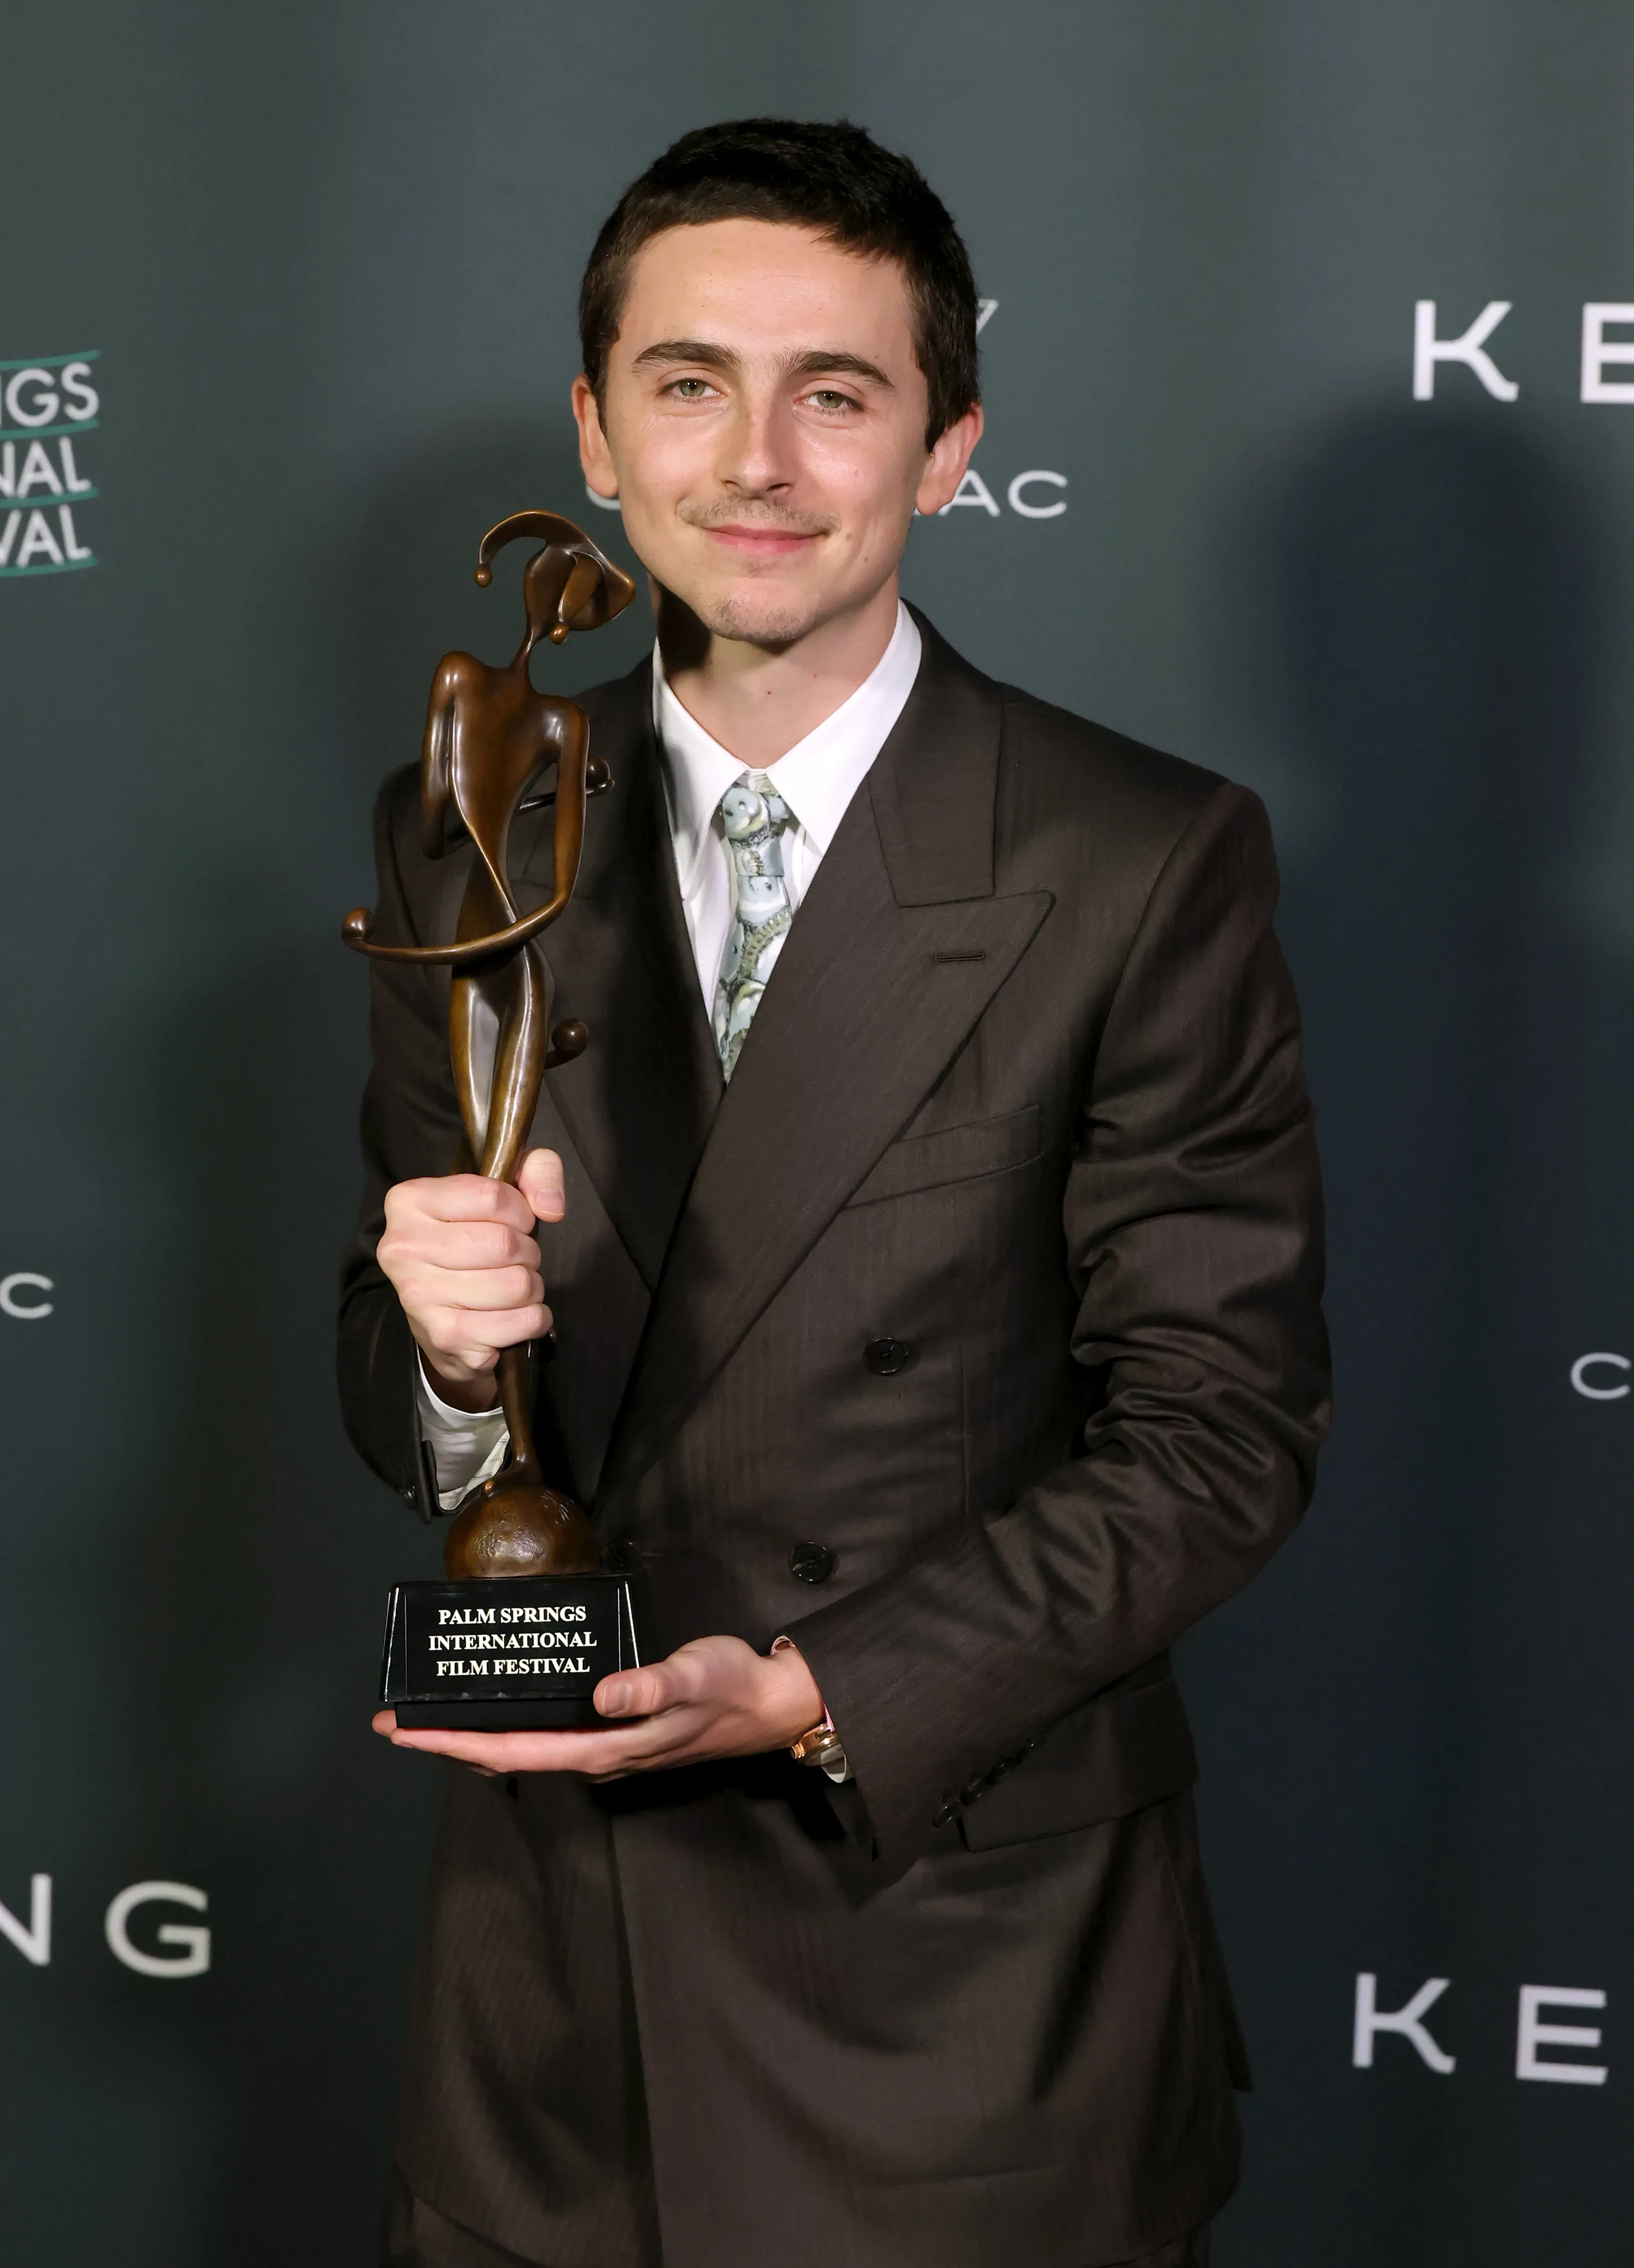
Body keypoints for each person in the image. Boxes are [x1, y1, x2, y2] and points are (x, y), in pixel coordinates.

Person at [338, 116, 1330, 2268]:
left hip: (955, 1991)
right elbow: (417, 1403)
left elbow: (1220, 1434)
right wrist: (440, 1350)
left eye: (838, 393)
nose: (757, 462)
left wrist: (817, 1682)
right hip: (547, 2022)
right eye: (690, 384)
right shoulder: (473, 819)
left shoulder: (1138, 856)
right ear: (597, 435)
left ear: (950, 448)